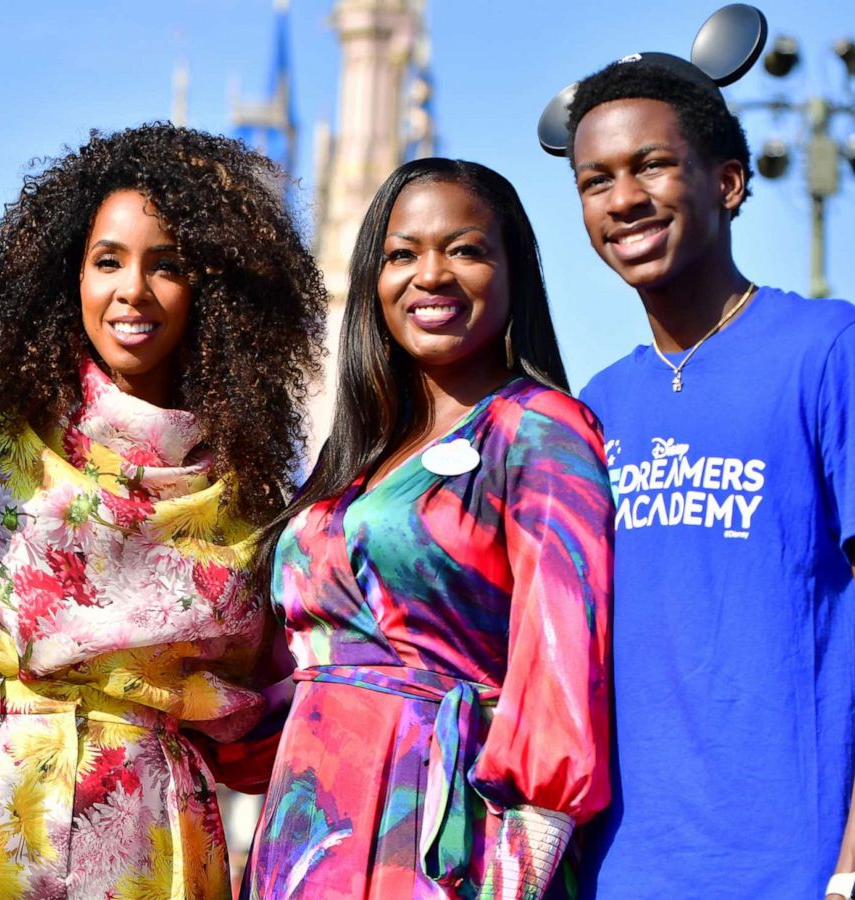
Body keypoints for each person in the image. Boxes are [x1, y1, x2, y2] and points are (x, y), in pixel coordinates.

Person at [0, 123, 327, 899]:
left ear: (213, 292)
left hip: (154, 838)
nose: (133, 290)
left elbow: (276, 710)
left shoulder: (250, 490)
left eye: (169, 266)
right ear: (68, 278)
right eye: (108, 261)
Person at [562, 57, 855, 900]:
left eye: (652, 165)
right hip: (619, 878)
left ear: (729, 181)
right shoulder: (593, 407)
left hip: (799, 875)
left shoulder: (833, 350)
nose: (623, 198)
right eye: (596, 180)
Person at [242, 158, 614, 899]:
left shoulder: (540, 430)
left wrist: (528, 854)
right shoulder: (351, 459)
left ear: (515, 274)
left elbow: (563, 657)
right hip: (304, 825)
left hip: (446, 831)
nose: (431, 275)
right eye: (402, 254)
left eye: (467, 250)